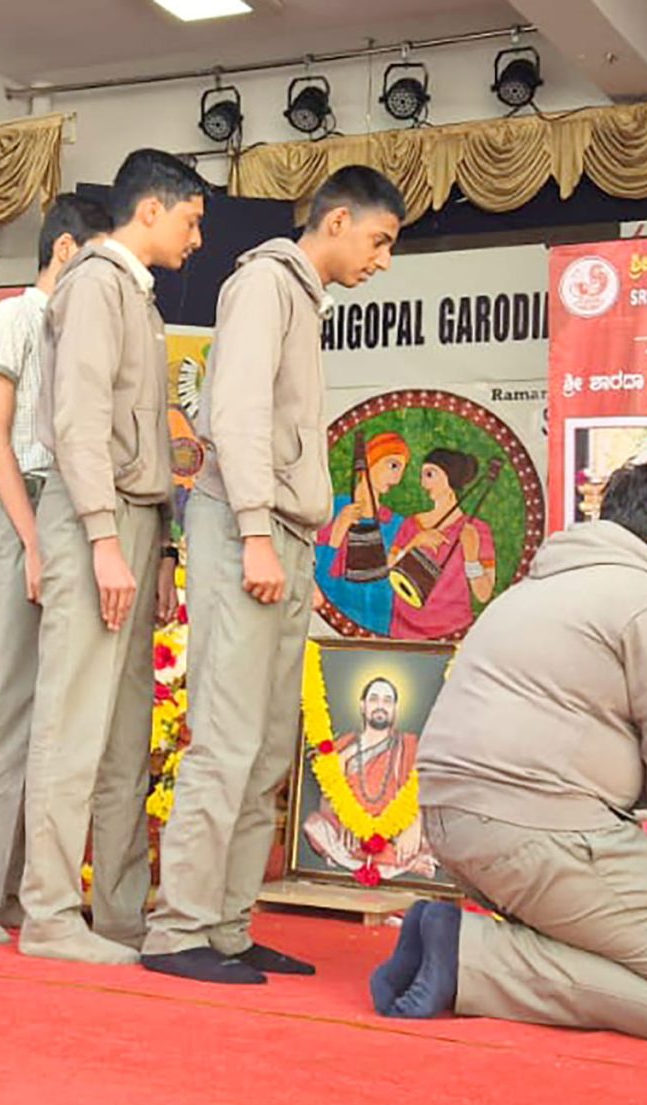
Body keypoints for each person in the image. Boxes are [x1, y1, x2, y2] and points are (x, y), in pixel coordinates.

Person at [372, 461, 647, 1043]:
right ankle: (468, 957)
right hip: (541, 830)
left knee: (630, 958)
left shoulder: (533, 588)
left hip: (454, 826)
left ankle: (455, 948)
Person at [143, 165, 402, 983]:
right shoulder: (264, 282)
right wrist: (256, 531)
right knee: (225, 735)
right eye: (379, 240)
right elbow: (236, 414)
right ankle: (177, 927)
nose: (383, 259)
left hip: (285, 534)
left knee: (267, 747)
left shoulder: (301, 295)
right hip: (245, 528)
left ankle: (224, 924)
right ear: (335, 222)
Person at [21, 148, 202, 965]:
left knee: (127, 730)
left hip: (133, 523)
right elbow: (79, 419)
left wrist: (155, 546)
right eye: (193, 220)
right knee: (74, 720)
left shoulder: (138, 295)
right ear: (153, 209)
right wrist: (101, 538)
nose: (197, 239)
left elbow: (145, 438)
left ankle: (121, 912)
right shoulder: (97, 283)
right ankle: (52, 914)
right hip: (94, 521)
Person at [0, 193, 116, 943]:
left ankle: (22, 887)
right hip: (25, 508)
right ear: (68, 250)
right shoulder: (14, 317)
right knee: (7, 700)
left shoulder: (81, 326)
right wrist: (33, 541)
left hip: (68, 510)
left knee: (53, 709)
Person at [301, 677, 438, 879]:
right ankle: (400, 861)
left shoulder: (408, 746)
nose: (380, 706)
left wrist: (414, 824)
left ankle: (376, 859)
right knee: (315, 826)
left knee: (439, 833)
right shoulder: (344, 748)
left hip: (397, 830)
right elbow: (329, 795)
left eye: (387, 700)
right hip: (353, 833)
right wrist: (346, 818)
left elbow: (424, 788)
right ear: (363, 706)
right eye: (374, 699)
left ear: (395, 709)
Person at [388, 447, 495, 641]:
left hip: (453, 630)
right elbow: (388, 569)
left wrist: (471, 557)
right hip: (404, 629)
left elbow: (484, 594)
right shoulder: (412, 524)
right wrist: (415, 542)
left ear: (450, 477)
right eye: (422, 475)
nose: (422, 483)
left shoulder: (476, 530)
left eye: (429, 474)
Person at [318, 432, 408, 634]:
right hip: (329, 625)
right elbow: (313, 578)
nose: (398, 476)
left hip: (378, 625)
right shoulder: (331, 510)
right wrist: (338, 532)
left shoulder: (395, 523)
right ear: (369, 462)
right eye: (393, 465)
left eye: (402, 469)